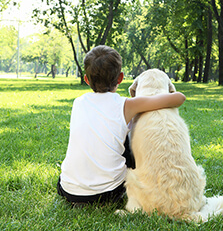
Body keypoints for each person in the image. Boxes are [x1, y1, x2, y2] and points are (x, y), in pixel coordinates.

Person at [57, 45, 186, 207]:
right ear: (120, 78)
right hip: (108, 194)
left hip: (68, 190)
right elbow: (179, 98)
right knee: (130, 139)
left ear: (86, 80)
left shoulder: (78, 102)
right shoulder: (126, 105)